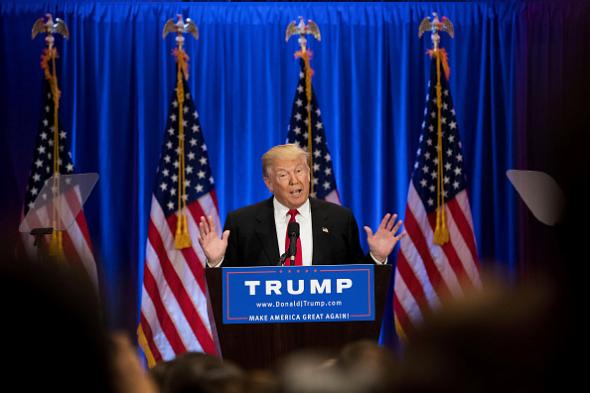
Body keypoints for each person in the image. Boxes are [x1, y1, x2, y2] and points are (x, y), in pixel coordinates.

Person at [198, 144, 405, 267]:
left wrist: (377, 257)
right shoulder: (242, 223)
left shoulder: (339, 220)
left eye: (299, 171)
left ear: (308, 175)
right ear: (269, 183)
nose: (294, 180)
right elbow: (229, 291)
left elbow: (356, 283)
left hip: (324, 335)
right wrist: (216, 262)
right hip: (264, 335)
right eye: (283, 175)